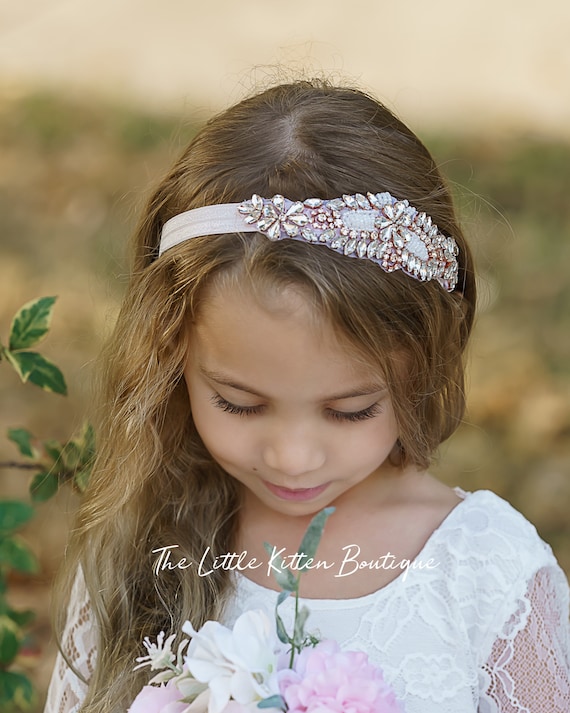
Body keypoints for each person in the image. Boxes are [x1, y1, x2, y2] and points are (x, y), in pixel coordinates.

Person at [45, 80, 569, 713]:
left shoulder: (487, 576)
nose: (293, 459)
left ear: (422, 362)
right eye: (239, 403)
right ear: (171, 355)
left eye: (350, 410)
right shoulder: (138, 549)